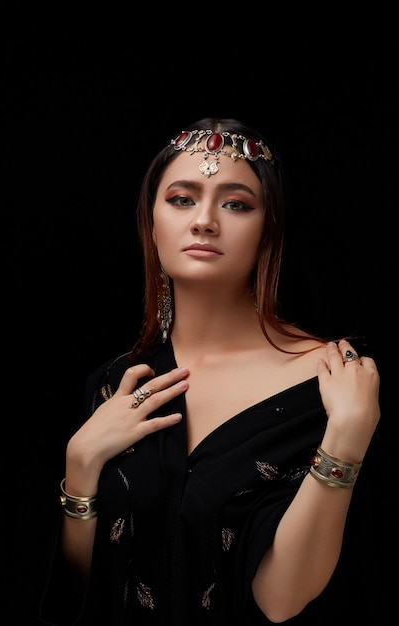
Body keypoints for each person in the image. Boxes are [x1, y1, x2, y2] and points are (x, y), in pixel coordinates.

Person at [38, 118, 381, 625]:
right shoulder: (118, 383)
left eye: (236, 203)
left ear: (270, 227)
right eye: (181, 199)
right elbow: (84, 592)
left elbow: (280, 598)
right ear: (151, 222)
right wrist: (80, 468)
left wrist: (346, 442)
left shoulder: (333, 383)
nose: (204, 221)